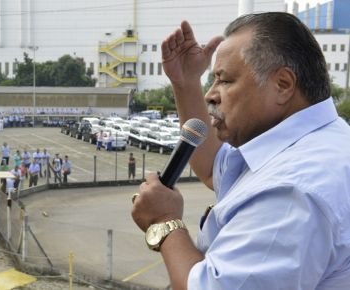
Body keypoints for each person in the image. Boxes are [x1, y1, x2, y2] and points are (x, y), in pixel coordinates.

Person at [131, 13, 350, 290]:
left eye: (224, 80)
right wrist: (186, 82)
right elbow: (213, 168)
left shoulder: (293, 190)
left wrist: (164, 222)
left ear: (283, 84)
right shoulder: (315, 141)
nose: (210, 94)